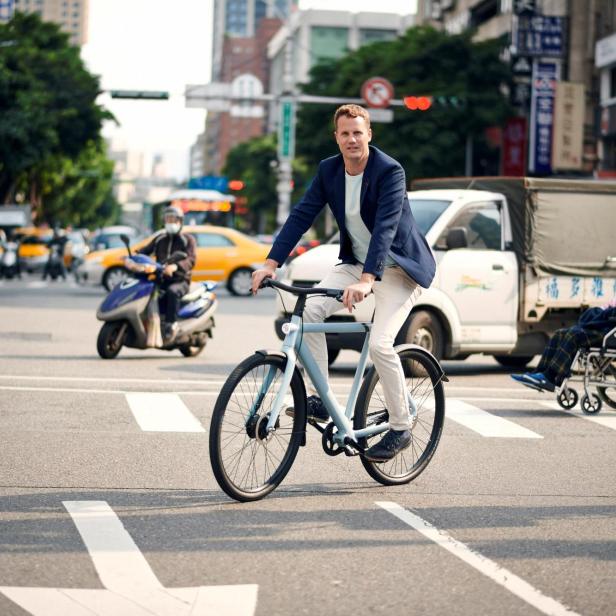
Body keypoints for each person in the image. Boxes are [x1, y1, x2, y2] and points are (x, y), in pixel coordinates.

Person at [251, 104, 436, 462]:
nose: (352, 139)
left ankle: (400, 428)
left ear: (369, 134)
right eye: (345, 133)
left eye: (358, 132)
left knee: (382, 345)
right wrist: (271, 263)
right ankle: (323, 399)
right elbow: (302, 214)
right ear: (336, 137)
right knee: (308, 315)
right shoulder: (329, 170)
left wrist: (369, 279)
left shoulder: (390, 171)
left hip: (397, 270)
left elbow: (384, 228)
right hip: (355, 265)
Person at [511, 302, 616, 392]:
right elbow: (606, 308)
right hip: (606, 329)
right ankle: (540, 373)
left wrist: (604, 312)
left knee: (574, 335)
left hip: (610, 334)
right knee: (560, 334)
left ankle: (551, 376)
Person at [138, 206, 196, 341]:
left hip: (180, 280)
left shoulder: (188, 239)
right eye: (167, 219)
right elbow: (145, 250)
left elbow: (191, 260)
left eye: (173, 219)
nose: (170, 222)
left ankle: (171, 324)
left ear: (180, 221)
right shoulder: (160, 238)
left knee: (172, 291)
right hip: (160, 278)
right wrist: (132, 257)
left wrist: (176, 266)